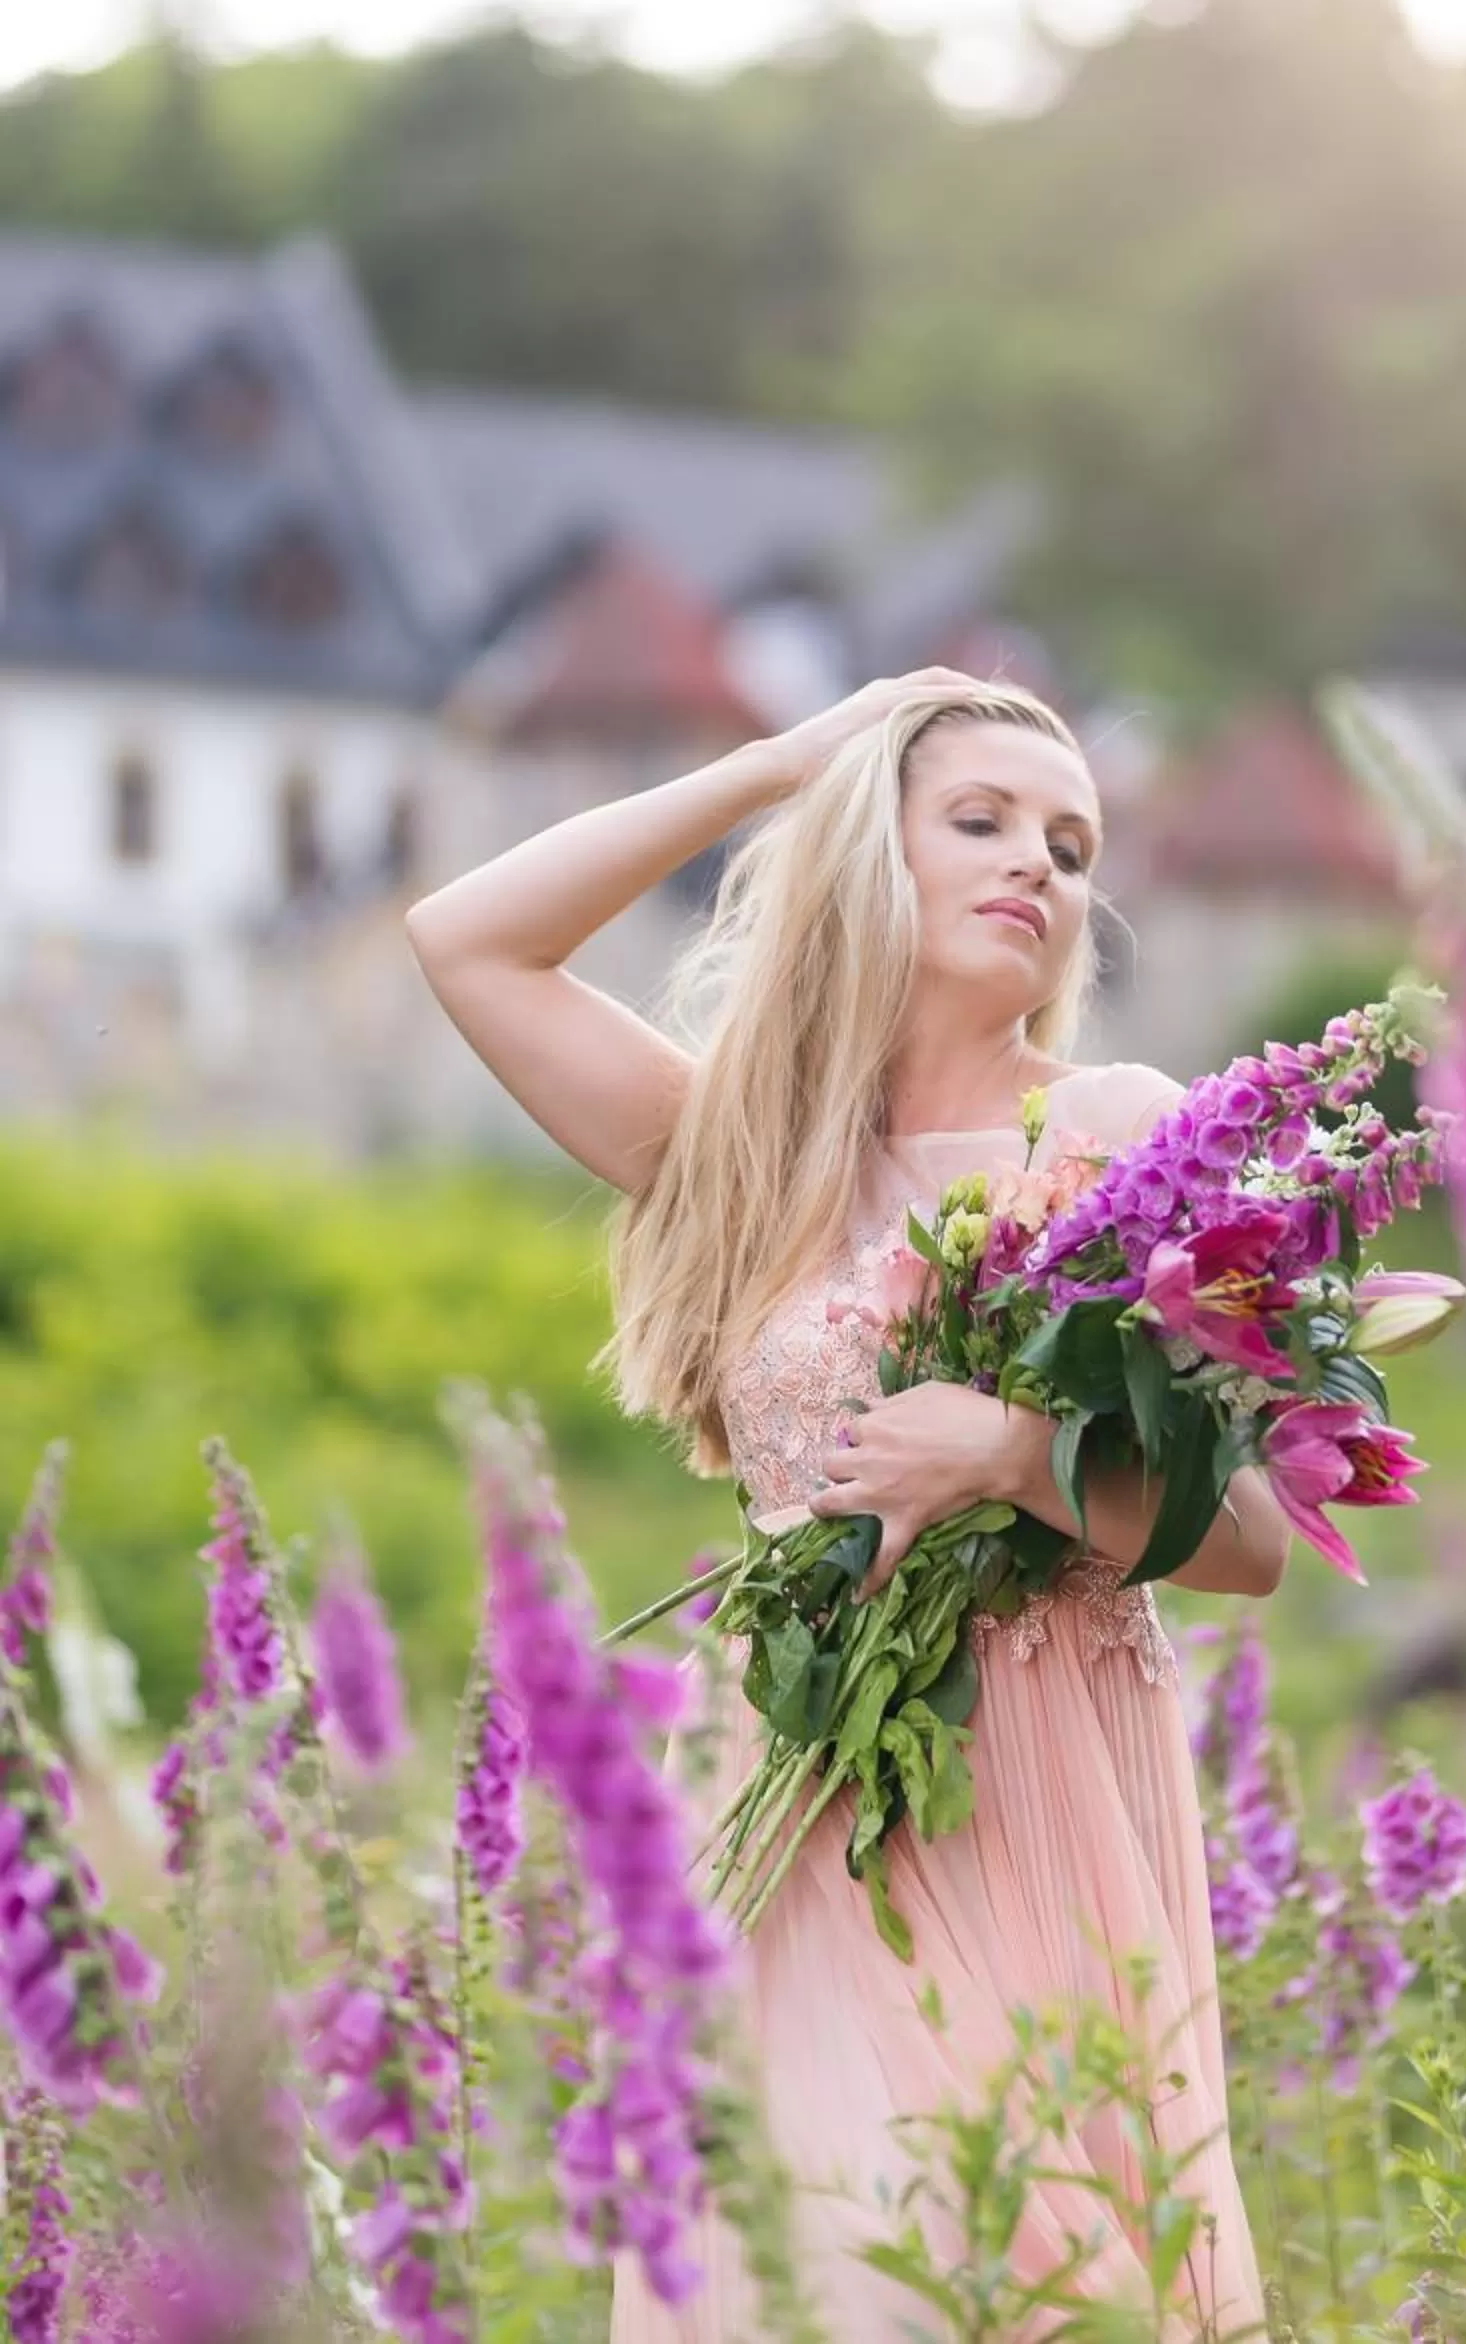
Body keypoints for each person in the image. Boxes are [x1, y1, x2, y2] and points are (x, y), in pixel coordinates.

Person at [406, 670, 1282, 2341]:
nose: (1038, 862)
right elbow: (468, 940)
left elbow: (1245, 1544)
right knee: (815, 2268)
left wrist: (1017, 1458)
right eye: (980, 820)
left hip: (1040, 1791)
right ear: (865, 856)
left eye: (1071, 843)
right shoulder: (746, 1151)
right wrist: (778, 765)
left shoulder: (1125, 1137)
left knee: (1020, 2271)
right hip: (792, 1794)